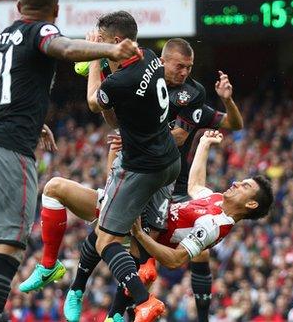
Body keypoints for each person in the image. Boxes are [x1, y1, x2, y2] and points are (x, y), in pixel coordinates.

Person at [0, 0, 142, 322]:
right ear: (56, 10)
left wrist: (21, 115)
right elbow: (65, 49)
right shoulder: (42, 31)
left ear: (18, 6)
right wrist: (111, 50)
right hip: (10, 153)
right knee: (7, 250)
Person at [19, 38, 243, 322]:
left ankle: (113, 311)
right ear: (162, 62)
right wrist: (100, 66)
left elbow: (181, 135)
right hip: (138, 169)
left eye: (190, 67)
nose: (185, 72)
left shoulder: (192, 93)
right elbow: (109, 112)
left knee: (137, 257)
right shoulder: (143, 81)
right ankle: (78, 288)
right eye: (180, 67)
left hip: (165, 181)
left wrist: (226, 99)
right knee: (86, 213)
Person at [65, 10, 182, 322]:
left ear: (116, 42)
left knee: (107, 240)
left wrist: (93, 58)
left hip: (141, 169)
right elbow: (113, 116)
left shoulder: (121, 81)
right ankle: (90, 298)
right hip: (169, 161)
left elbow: (93, 100)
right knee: (110, 225)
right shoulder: (150, 57)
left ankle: (143, 303)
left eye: (102, 41)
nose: (98, 45)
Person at [130, 130, 274, 271]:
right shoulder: (218, 199)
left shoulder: (214, 226)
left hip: (143, 233)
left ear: (251, 204)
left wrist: (140, 236)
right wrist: (204, 144)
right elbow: (195, 186)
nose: (236, 183)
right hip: (147, 218)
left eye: (245, 186)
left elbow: (175, 260)